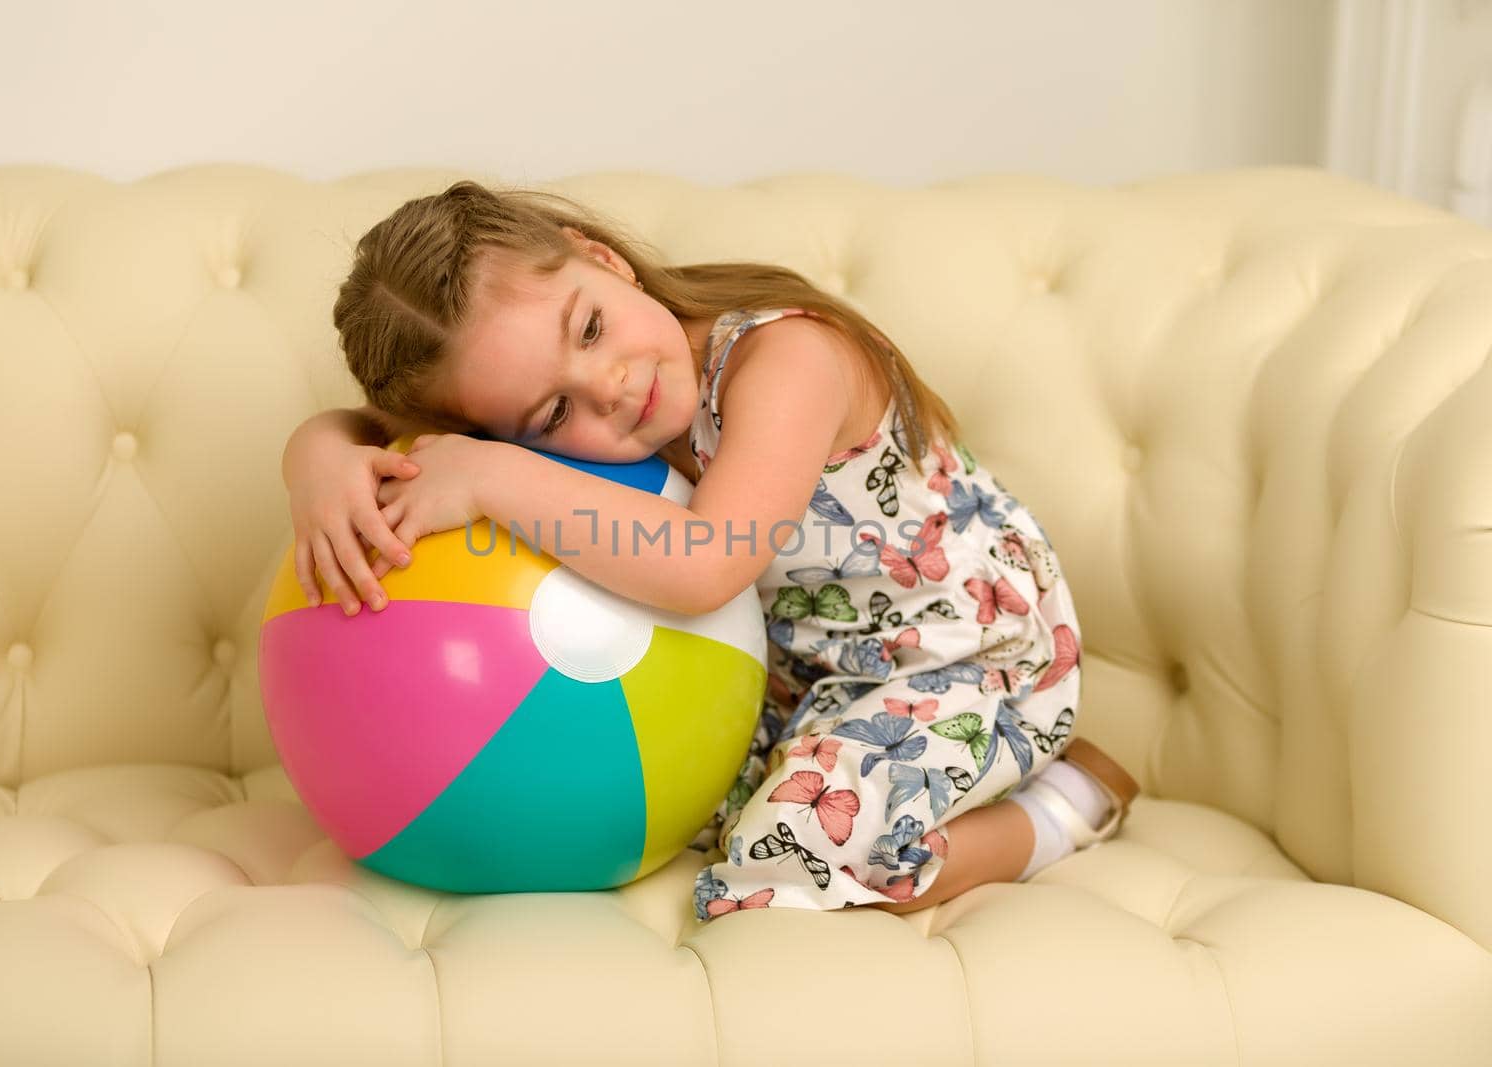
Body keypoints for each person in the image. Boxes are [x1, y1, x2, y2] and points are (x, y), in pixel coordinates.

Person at [280, 179, 1141, 922]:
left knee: (794, 848)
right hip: (794, 673)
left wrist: (493, 476)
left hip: (968, 654)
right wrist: (315, 458)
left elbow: (706, 561)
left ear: (600, 258)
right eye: (550, 417)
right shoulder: (555, 401)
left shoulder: (786, 358)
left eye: (588, 329)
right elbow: (379, 434)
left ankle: (1063, 806)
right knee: (640, 808)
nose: (610, 387)